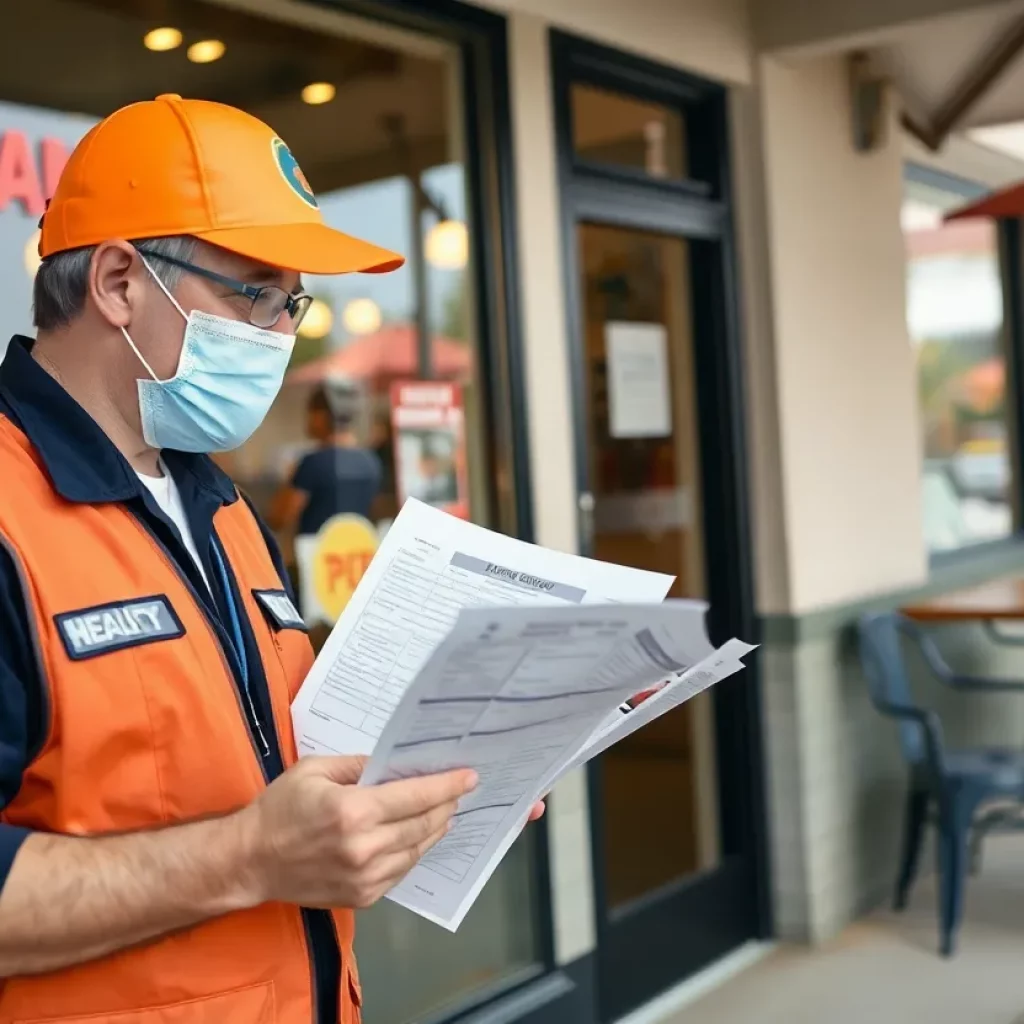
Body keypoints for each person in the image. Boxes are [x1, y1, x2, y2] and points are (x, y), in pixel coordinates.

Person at [0, 94, 543, 1024]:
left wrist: (450, 756)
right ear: (121, 282)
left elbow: (253, 752)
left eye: (291, 302)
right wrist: (250, 855)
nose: (282, 333)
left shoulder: (220, 506)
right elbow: (254, 834)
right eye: (253, 291)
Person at [268, 382, 383, 537]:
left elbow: (280, 518)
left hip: (315, 555)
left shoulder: (313, 463)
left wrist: (289, 480)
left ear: (321, 415)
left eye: (310, 412)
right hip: (357, 553)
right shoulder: (371, 461)